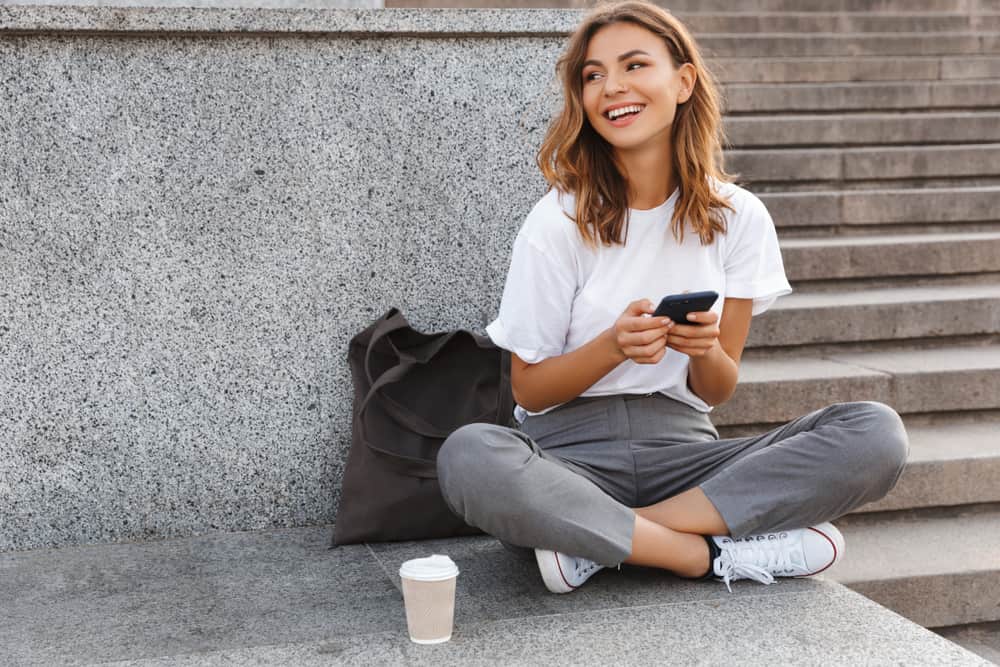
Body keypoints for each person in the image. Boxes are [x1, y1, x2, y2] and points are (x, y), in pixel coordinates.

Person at [436, 0, 909, 594]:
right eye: (593, 75)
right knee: (469, 456)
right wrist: (612, 347)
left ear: (683, 81)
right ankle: (702, 555)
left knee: (875, 433)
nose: (613, 88)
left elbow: (717, 388)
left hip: (687, 458)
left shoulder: (739, 218)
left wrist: (705, 349)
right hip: (566, 463)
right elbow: (529, 387)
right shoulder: (557, 220)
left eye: (634, 65)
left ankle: (598, 542)